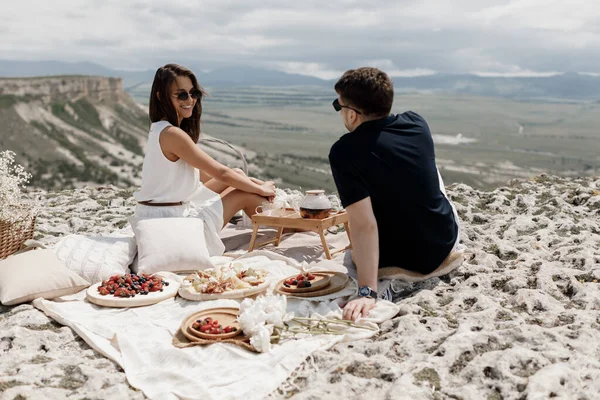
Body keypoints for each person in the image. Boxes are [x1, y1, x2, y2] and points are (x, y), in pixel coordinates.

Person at [328, 67, 460, 321]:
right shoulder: (417, 123)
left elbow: (364, 225)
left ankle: (384, 280)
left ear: (353, 115)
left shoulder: (344, 152)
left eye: (339, 106)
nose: (340, 111)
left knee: (353, 252)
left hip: (396, 257)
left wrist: (366, 291)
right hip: (443, 243)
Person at [134, 63, 275, 256]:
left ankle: (277, 213)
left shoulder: (161, 128)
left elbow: (207, 177)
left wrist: (251, 183)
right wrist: (259, 189)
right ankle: (283, 227)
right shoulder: (173, 134)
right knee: (246, 195)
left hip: (165, 212)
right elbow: (221, 173)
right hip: (170, 223)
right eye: (181, 95)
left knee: (238, 175)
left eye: (193, 93)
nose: (190, 100)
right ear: (161, 97)